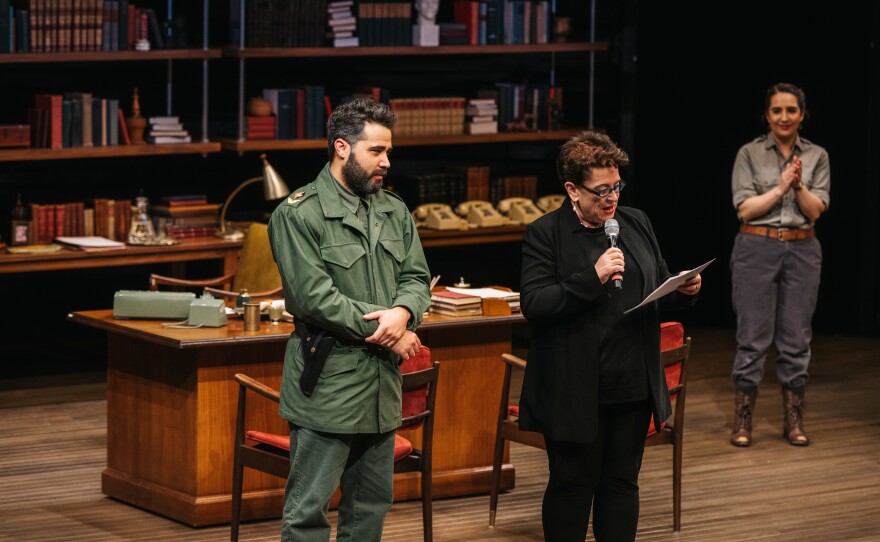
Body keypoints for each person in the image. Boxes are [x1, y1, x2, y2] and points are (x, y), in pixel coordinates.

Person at [518, 130, 701, 541]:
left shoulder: (635, 222)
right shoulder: (546, 233)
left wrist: (683, 289)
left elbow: (655, 282)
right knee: (572, 485)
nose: (612, 197)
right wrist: (593, 277)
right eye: (601, 190)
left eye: (617, 186)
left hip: (631, 381)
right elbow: (535, 303)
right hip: (574, 387)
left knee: (621, 483)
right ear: (572, 189)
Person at [267, 98, 432, 541]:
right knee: (308, 513)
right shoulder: (298, 213)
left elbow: (417, 277)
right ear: (342, 147)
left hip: (381, 386)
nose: (387, 162)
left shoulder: (393, 210)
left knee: (369, 511)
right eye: (376, 151)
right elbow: (313, 299)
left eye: (388, 151)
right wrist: (388, 331)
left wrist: (403, 312)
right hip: (329, 384)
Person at [729, 82, 830, 447]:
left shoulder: (817, 155)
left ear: (802, 115)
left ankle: (794, 419)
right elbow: (745, 208)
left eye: (791, 110)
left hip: (803, 249)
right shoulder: (749, 153)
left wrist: (798, 185)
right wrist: (781, 187)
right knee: (752, 337)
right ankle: (743, 419)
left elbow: (816, 210)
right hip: (756, 246)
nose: (784, 117)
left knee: (796, 338)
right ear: (767, 115)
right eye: (777, 110)